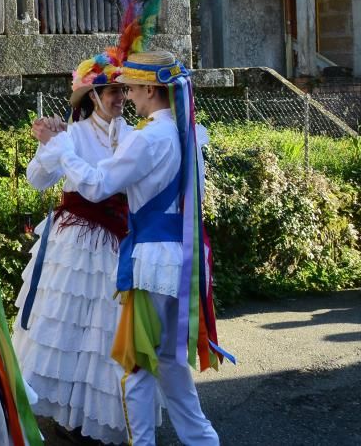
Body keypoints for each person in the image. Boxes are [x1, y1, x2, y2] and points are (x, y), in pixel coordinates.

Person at [33, 50, 231, 446]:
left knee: (137, 367)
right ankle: (204, 441)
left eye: (132, 88)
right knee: (173, 364)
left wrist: (63, 149)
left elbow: (96, 185)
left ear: (148, 89)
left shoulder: (146, 138)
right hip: (186, 257)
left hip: (153, 262)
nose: (128, 96)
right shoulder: (188, 134)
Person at [11, 55, 131, 445]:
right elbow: (36, 178)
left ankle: (97, 414)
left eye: (123, 90)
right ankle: (65, 414)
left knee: (105, 327)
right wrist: (50, 147)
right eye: (114, 90)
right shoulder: (74, 134)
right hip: (78, 239)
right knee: (68, 323)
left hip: (117, 237)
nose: (121, 97)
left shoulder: (130, 133)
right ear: (93, 95)